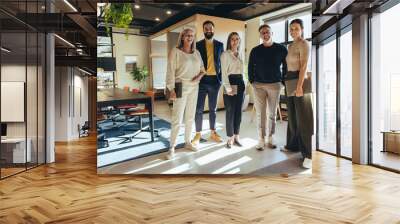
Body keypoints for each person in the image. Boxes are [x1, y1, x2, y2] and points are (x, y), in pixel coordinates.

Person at [165, 28, 205, 160]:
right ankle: (172, 147)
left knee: (190, 116)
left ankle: (187, 142)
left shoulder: (197, 53)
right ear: (182, 37)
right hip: (180, 85)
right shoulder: (175, 51)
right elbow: (170, 71)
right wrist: (171, 89)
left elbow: (202, 70)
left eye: (192, 35)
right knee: (177, 118)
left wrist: (198, 78)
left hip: (194, 87)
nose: (190, 37)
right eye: (187, 35)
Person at [248, 24, 288, 150]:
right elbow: (250, 67)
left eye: (267, 32)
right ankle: (260, 138)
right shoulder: (255, 50)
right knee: (260, 114)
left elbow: (286, 67)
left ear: (272, 33)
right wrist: (252, 81)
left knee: (271, 114)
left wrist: (282, 82)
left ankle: (270, 137)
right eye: (263, 33)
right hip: (258, 85)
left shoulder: (281, 49)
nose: (265, 34)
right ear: (260, 35)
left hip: (275, 85)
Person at [281, 19, 313, 169]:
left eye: (296, 28)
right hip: (289, 81)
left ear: (302, 29)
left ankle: (308, 155)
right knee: (292, 117)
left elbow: (304, 66)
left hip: (300, 82)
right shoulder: (290, 46)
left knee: (304, 119)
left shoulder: (304, 44)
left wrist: (299, 86)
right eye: (291, 28)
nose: (293, 31)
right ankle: (292, 145)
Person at [191, 20, 224, 145]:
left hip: (215, 81)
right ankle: (198, 134)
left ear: (213, 30)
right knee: (198, 109)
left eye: (210, 28)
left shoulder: (220, 45)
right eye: (206, 28)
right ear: (203, 30)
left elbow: (222, 62)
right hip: (202, 81)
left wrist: (221, 79)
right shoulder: (197, 45)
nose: (208, 30)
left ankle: (213, 132)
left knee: (213, 109)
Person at [221, 32, 245, 148]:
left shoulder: (241, 54)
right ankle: (230, 138)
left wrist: (245, 82)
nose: (235, 41)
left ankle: (237, 136)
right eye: (232, 39)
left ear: (239, 41)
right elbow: (224, 73)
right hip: (230, 82)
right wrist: (228, 87)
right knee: (230, 111)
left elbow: (243, 70)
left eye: (237, 39)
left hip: (240, 83)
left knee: (239, 111)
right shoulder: (225, 54)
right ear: (229, 41)